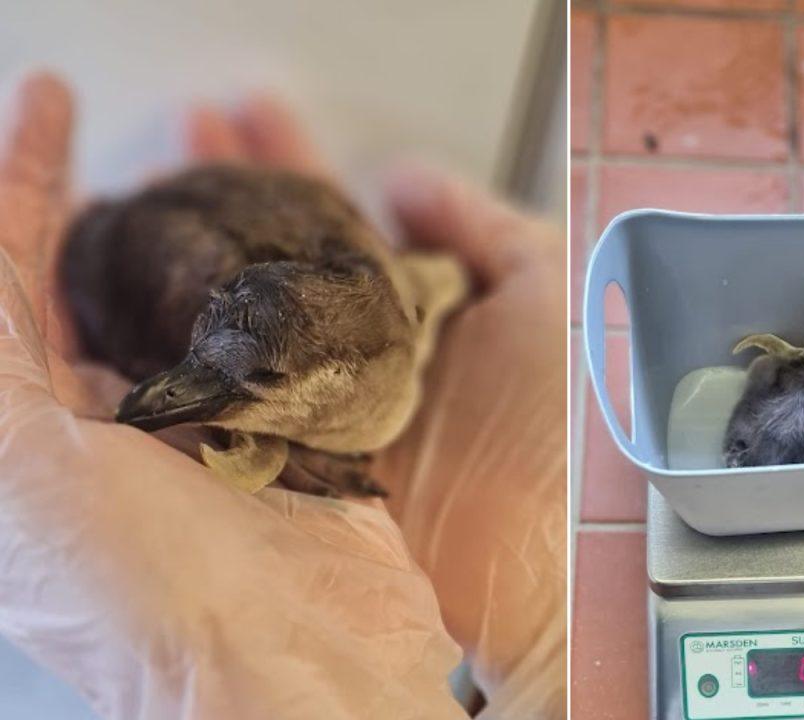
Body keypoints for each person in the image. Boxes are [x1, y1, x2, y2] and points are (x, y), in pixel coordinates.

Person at [0, 71, 565, 719]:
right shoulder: (343, 305)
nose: (173, 390)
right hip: (140, 242)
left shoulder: (391, 330)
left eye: (260, 381)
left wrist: (556, 629)